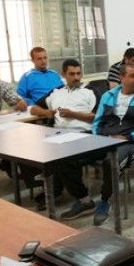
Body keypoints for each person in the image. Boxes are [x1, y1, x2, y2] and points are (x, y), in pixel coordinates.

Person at [56, 64, 134, 226]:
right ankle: (84, 200)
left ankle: (105, 201)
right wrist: (99, 138)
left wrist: (128, 137)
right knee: (65, 157)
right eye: (133, 76)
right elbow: (97, 121)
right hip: (104, 138)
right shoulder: (108, 95)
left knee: (110, 163)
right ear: (122, 78)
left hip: (131, 141)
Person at [27, 59, 99, 210]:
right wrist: (46, 112)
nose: (76, 77)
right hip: (58, 134)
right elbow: (33, 109)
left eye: (78, 73)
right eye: (72, 74)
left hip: (84, 134)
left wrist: (73, 114)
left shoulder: (90, 91)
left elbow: (97, 116)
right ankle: (53, 189)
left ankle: (83, 199)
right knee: (30, 151)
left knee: (64, 158)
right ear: (63, 75)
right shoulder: (56, 92)